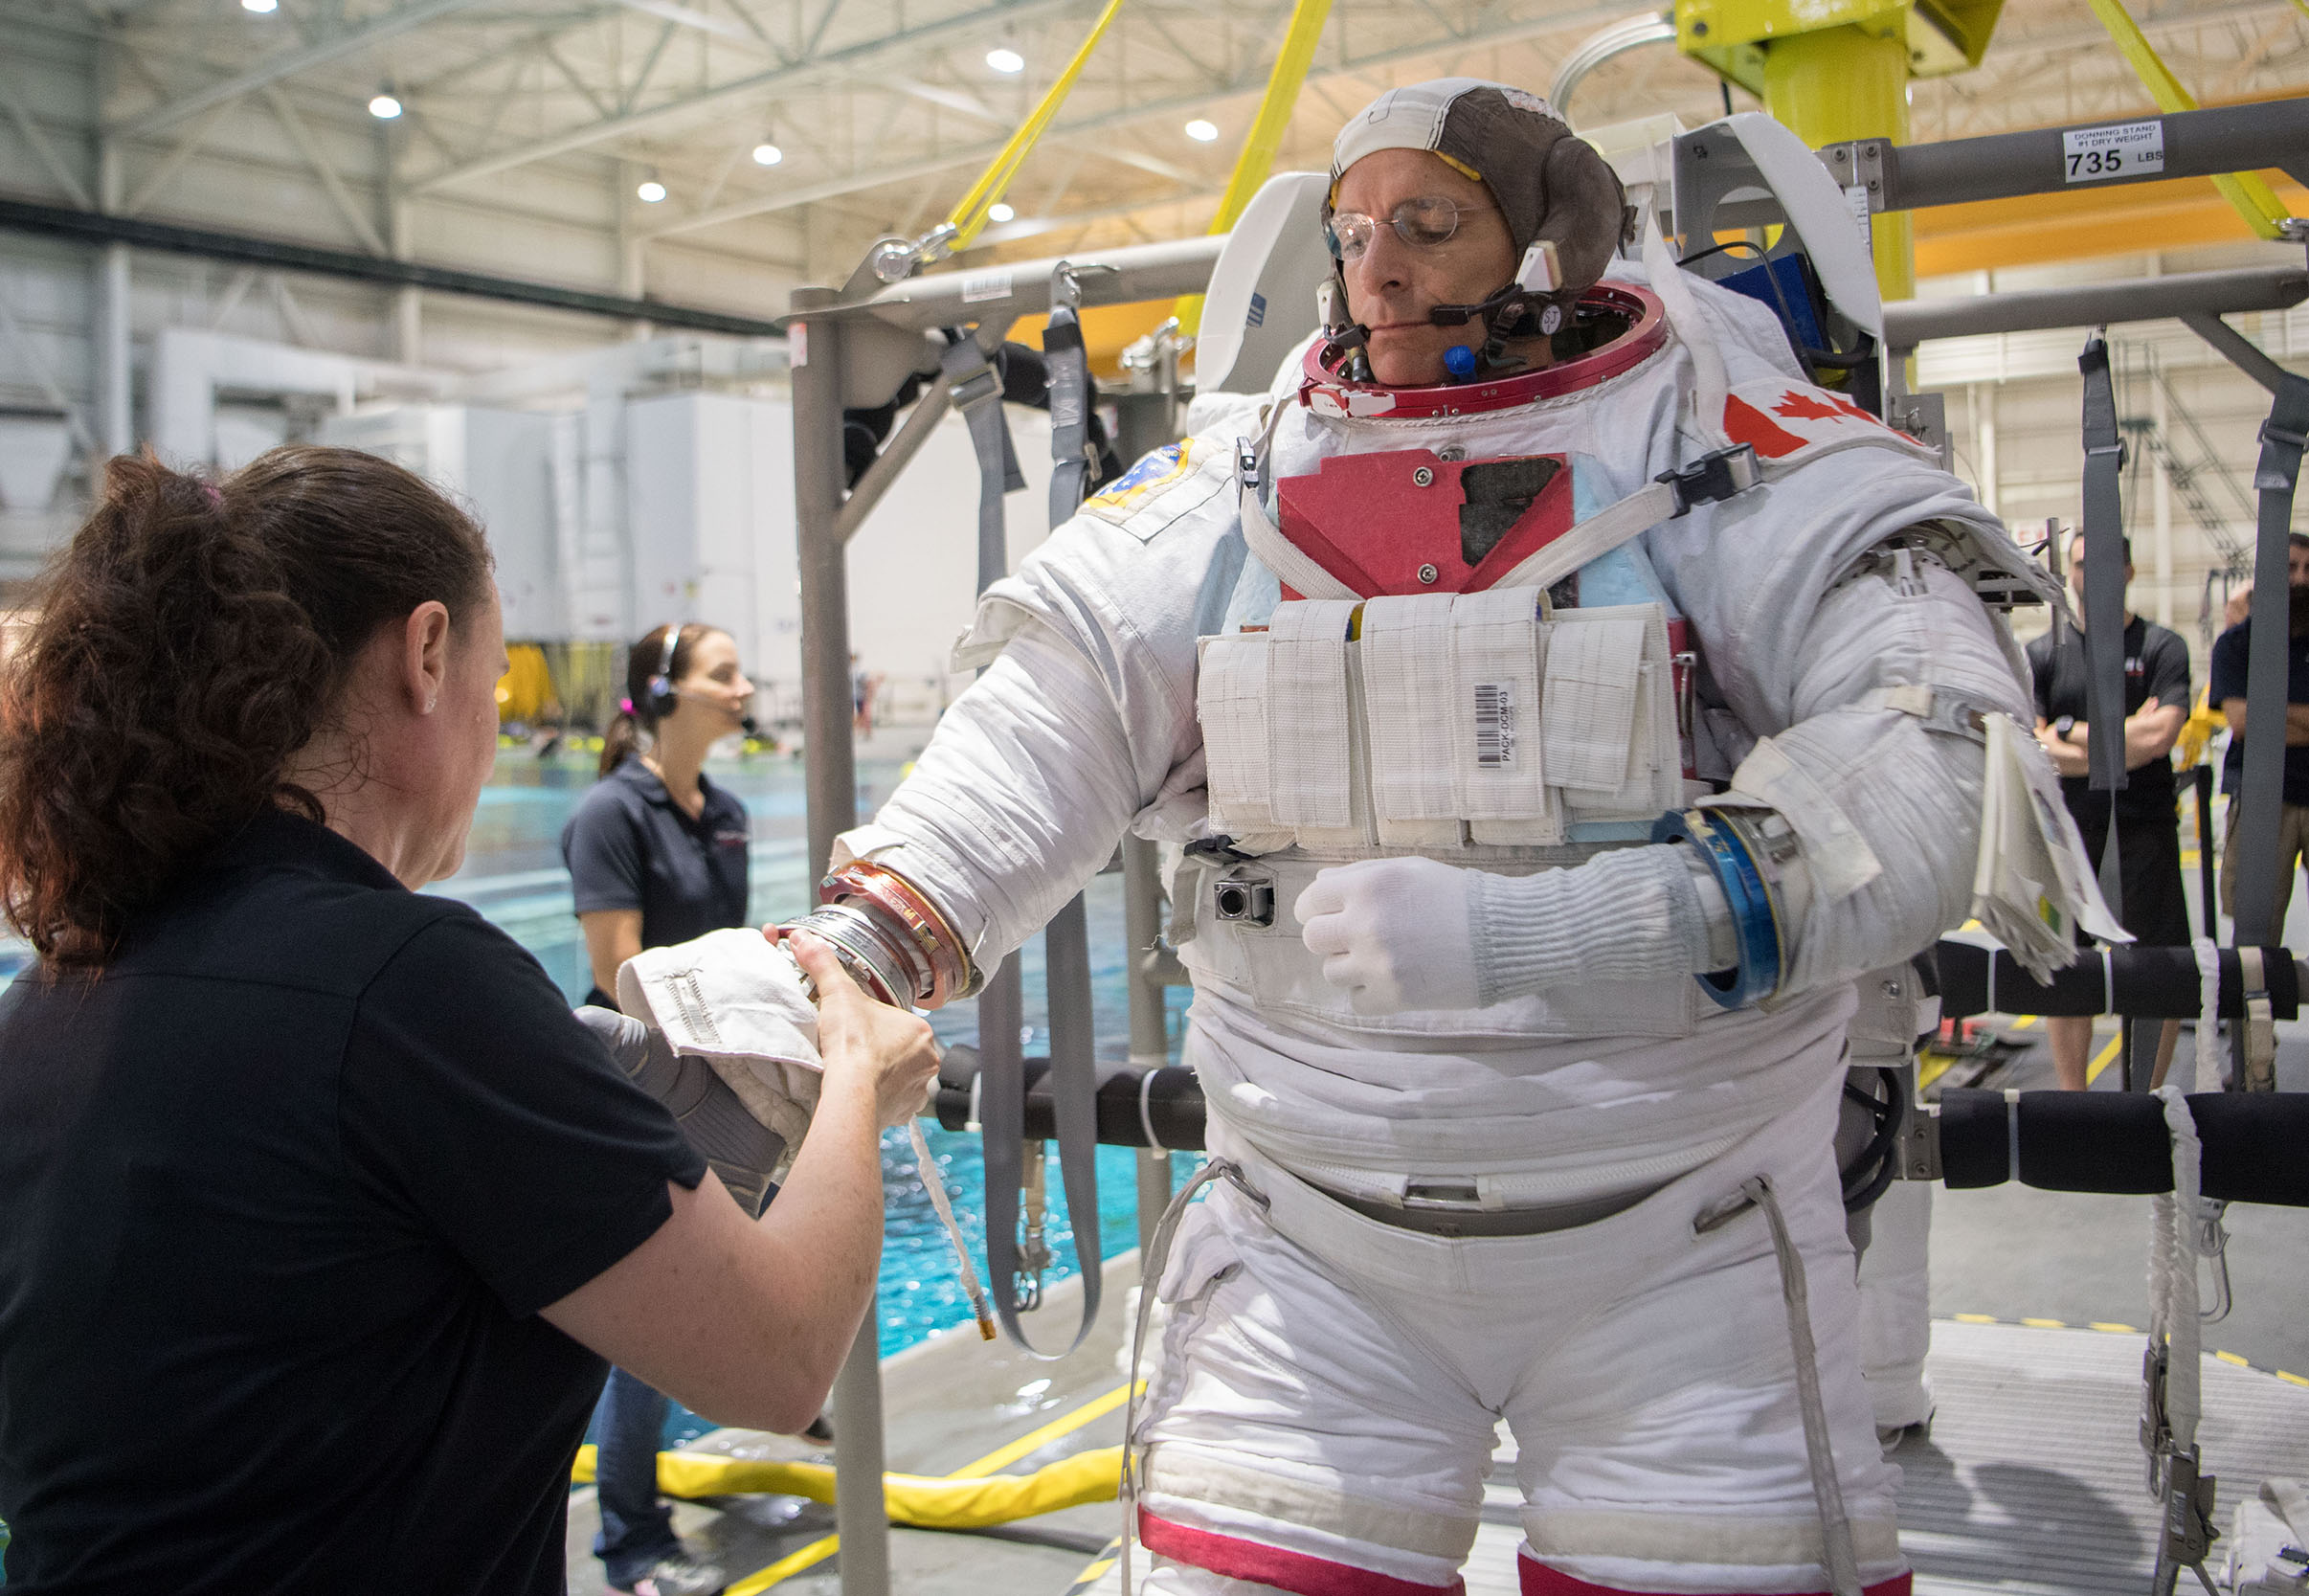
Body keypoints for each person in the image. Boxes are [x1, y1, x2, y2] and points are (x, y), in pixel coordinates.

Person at [778, 79, 2037, 1596]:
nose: (1379, 269)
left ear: (1554, 243)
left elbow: (1938, 769)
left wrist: (1532, 937)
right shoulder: (1242, 473)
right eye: (1358, 230)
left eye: (1431, 227)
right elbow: (1049, 722)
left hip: (1688, 1250)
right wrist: (866, 943)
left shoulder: (1731, 443)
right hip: (1311, 1253)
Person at [0, 447, 936, 1596]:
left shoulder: (39, 1006)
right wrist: (856, 1069)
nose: (494, 712)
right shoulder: (411, 986)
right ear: (425, 652)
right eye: (497, 672)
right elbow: (778, 1360)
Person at [562, 621, 757, 1596]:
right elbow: (614, 972)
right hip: (638, 1092)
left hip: (721, 1076)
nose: (744, 685)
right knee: (647, 1331)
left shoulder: (725, 810)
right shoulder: (611, 812)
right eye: (725, 673)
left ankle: (773, 1410)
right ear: (665, 691)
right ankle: (632, 1544)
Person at [2028, 532, 2191, 1090]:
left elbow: (2161, 737)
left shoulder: (2162, 647)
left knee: (2157, 967)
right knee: (2064, 964)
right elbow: (2033, 747)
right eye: (2078, 564)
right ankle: (2076, 1100)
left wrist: (2070, 734)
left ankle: (2146, 1098)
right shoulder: (2042, 655)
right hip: (2065, 832)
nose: (2088, 575)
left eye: (2100, 564)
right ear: (2067, 574)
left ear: (2127, 570)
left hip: (2145, 827)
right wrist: (2123, 742)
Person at [2209, 530, 2309, 945]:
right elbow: (2243, 722)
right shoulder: (2236, 645)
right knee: (2254, 936)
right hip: (2260, 797)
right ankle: (2249, 1009)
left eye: (2308, 569)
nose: (2302, 578)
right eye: (2290, 568)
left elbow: (2257, 716)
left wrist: (2268, 705)